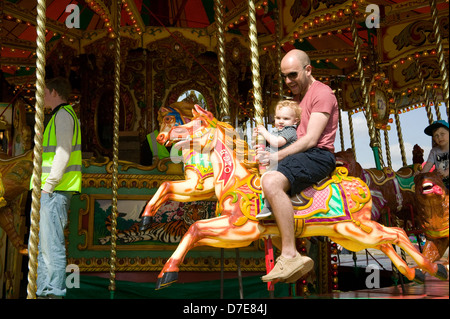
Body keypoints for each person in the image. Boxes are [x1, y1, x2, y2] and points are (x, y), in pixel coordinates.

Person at [255, 49, 338, 283]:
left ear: (308, 69)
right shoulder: (302, 97)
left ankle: (290, 254)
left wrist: (276, 156)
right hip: (304, 153)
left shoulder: (322, 94)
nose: (288, 81)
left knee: (271, 180)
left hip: (317, 155)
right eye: (284, 76)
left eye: (293, 74)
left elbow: (311, 140)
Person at [30, 77, 82, 298]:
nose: (39, 96)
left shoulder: (62, 116)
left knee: (52, 247)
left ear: (52, 91)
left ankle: (54, 292)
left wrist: (48, 185)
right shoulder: (60, 116)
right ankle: (43, 290)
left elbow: (63, 152)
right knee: (45, 248)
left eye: (42, 91)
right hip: (51, 190)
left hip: (55, 190)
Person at [253, 99, 301, 218]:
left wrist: (264, 132)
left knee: (268, 178)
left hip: (284, 163)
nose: (281, 121)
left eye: (286, 119)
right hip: (274, 161)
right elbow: (266, 145)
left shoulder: (290, 131)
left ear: (295, 121)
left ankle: (269, 206)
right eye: (278, 118)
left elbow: (277, 143)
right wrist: (256, 138)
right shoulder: (275, 131)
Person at [422, 120, 449, 189]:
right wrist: (421, 174)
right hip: (441, 181)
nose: (439, 137)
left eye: (442, 134)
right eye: (436, 135)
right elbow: (428, 164)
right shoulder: (434, 151)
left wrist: (446, 172)